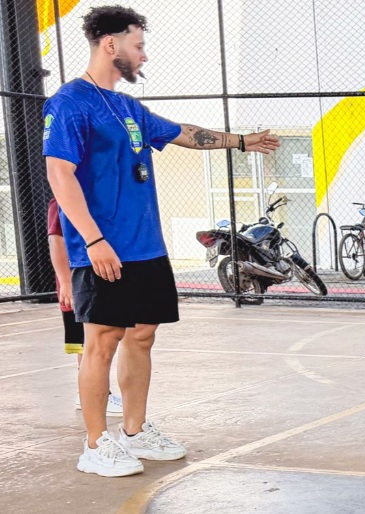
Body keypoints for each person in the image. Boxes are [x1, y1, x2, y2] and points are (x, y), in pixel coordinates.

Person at [44, 5, 280, 477]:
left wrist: (240, 141)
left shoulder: (130, 108)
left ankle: (135, 431)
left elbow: (183, 133)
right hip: (103, 249)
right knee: (102, 342)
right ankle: (95, 445)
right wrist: (93, 240)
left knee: (143, 337)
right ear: (111, 45)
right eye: (138, 45)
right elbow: (59, 174)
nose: (143, 55)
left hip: (146, 247)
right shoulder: (70, 102)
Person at [48, 197, 124, 416]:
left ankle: (92, 394)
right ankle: (93, 396)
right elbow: (56, 241)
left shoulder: (90, 197)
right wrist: (65, 282)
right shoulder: (61, 201)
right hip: (77, 284)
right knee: (84, 343)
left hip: (88, 281)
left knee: (87, 342)